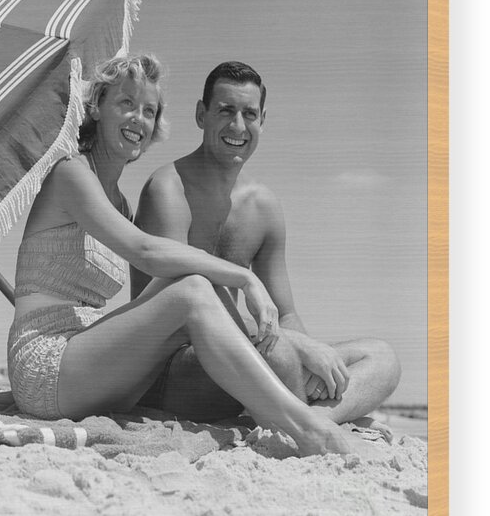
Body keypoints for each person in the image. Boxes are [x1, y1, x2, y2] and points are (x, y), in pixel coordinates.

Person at [7, 52, 364, 458]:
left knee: (364, 354)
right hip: (46, 366)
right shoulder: (70, 173)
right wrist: (244, 278)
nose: (138, 119)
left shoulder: (120, 203)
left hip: (89, 358)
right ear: (97, 107)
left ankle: (300, 411)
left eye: (149, 110)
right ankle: (305, 426)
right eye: (125, 103)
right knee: (193, 290)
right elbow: (146, 251)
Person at [130, 61, 401, 437]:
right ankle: (302, 419)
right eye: (225, 110)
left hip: (245, 357)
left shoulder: (263, 206)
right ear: (200, 114)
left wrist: (313, 361)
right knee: (279, 352)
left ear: (262, 121)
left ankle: (313, 419)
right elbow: (184, 310)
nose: (238, 126)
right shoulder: (168, 190)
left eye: (250, 114)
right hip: (175, 369)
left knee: (381, 356)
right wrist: (295, 349)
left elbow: (286, 314)